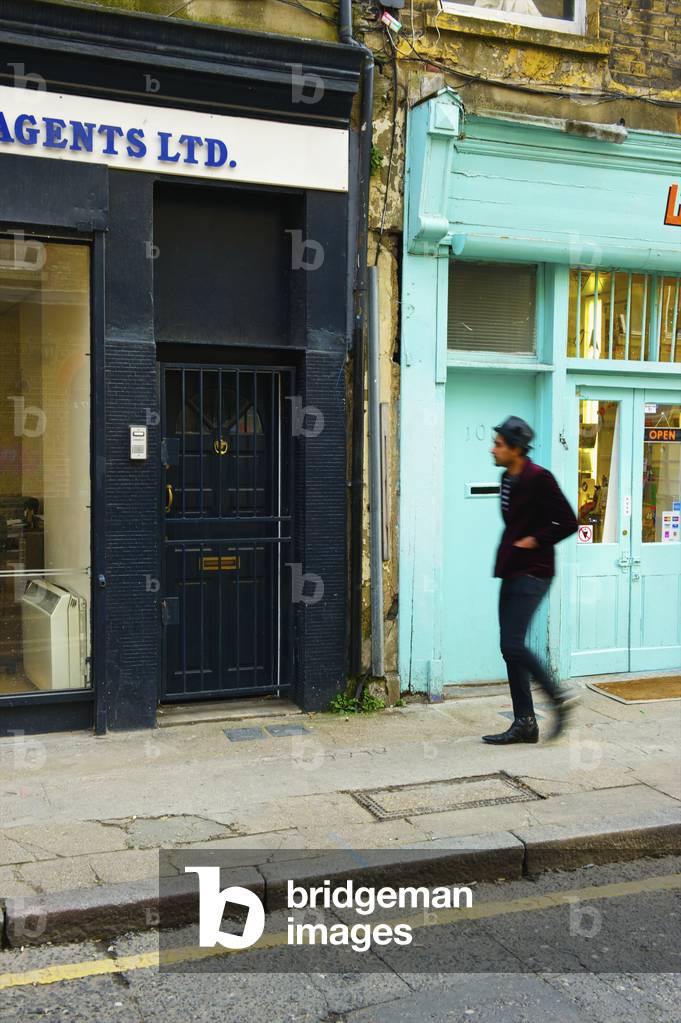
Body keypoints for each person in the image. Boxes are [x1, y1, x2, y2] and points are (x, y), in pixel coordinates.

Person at [482, 416, 579, 745]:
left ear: (516, 449)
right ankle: (525, 722)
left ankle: (557, 698)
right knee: (508, 648)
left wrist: (536, 540)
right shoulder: (505, 479)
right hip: (510, 568)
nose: (493, 449)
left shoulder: (540, 478)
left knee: (512, 643)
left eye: (498, 444)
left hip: (535, 571)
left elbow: (568, 522)